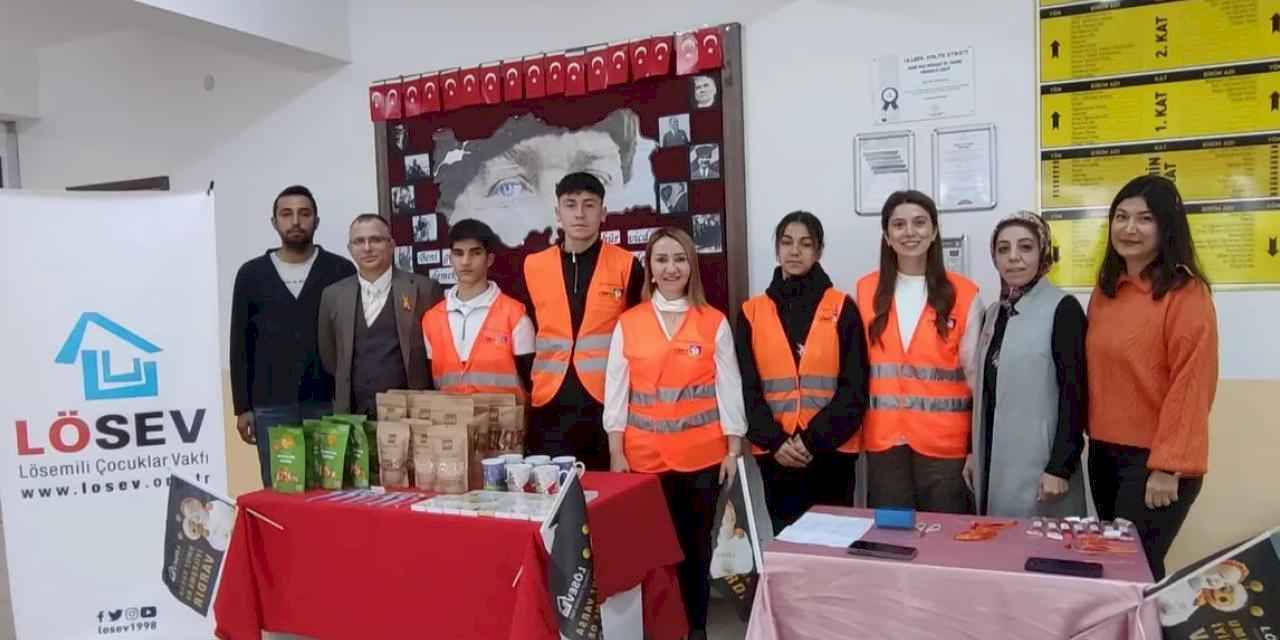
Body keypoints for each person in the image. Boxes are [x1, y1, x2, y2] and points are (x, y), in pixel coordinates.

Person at [603, 227, 746, 640]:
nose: (671, 268)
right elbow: (616, 390)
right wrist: (616, 450)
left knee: (696, 549)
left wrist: (732, 449)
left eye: (679, 259)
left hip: (702, 458)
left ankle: (696, 628)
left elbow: (729, 388)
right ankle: (657, 628)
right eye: (661, 259)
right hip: (643, 460)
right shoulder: (628, 323)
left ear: (691, 267)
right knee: (650, 552)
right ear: (649, 269)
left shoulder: (713, 322)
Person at [1086, 175, 1218, 581]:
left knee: (1134, 572)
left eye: (1144, 219)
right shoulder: (1106, 291)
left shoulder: (1186, 295)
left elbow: (1191, 384)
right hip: (1105, 454)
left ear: (1166, 228)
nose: (1129, 228)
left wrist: (1168, 466)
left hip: (1155, 462)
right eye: (1121, 217)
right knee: (1120, 569)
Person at [736, 211, 870, 533]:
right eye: (787, 242)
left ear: (819, 251)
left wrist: (810, 442)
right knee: (789, 553)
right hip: (776, 456)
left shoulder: (842, 307)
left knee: (835, 553)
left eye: (805, 244)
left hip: (830, 456)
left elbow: (855, 388)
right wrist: (776, 442)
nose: (794, 251)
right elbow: (745, 388)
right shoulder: (751, 312)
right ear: (777, 249)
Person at [857, 190, 983, 514]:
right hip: (885, 444)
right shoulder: (865, 291)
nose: (909, 232)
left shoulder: (965, 295)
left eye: (919, 223)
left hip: (946, 448)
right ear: (886, 236)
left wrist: (974, 448)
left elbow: (979, 381)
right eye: (898, 224)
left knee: (945, 545)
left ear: (935, 231)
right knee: (892, 543)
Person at [229, 185, 355, 487]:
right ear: (274, 222)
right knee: (280, 490)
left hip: (328, 404)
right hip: (271, 405)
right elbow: (239, 343)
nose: (296, 221)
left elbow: (352, 339)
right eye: (286, 214)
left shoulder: (340, 270)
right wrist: (242, 407)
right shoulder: (251, 274)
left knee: (333, 489)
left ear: (317, 221)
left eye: (304, 213)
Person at [964, 211, 1086, 518]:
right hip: (992, 458)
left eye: (1025, 247)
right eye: (1003, 249)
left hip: (1041, 465)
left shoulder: (1063, 308)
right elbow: (983, 391)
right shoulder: (993, 313)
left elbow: (1076, 394)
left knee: (1040, 553)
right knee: (1000, 549)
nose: (1013, 258)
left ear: (1043, 251)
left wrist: (1061, 466)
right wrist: (972, 451)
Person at [523, 172, 645, 469]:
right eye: (570, 204)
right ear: (558, 213)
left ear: (603, 213)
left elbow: (640, 337)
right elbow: (527, 333)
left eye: (589, 205)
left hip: (604, 407)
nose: (579, 214)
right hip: (548, 406)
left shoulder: (626, 265)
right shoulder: (533, 266)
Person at [433, 110, 657, 248]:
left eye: (592, 179)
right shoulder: (534, 270)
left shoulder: (625, 269)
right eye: (509, 188)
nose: (556, 230)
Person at [318, 214, 442, 417]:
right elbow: (330, 357)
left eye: (375, 239)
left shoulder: (425, 290)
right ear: (350, 249)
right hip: (354, 416)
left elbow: (438, 354)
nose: (367, 248)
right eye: (359, 241)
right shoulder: (332, 295)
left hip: (412, 416)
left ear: (391, 245)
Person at [422, 219, 535, 401]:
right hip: (449, 424)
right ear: (450, 258)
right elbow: (428, 381)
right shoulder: (431, 319)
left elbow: (531, 382)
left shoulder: (515, 315)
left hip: (504, 426)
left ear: (489, 259)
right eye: (458, 253)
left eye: (475, 253)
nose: (466, 261)